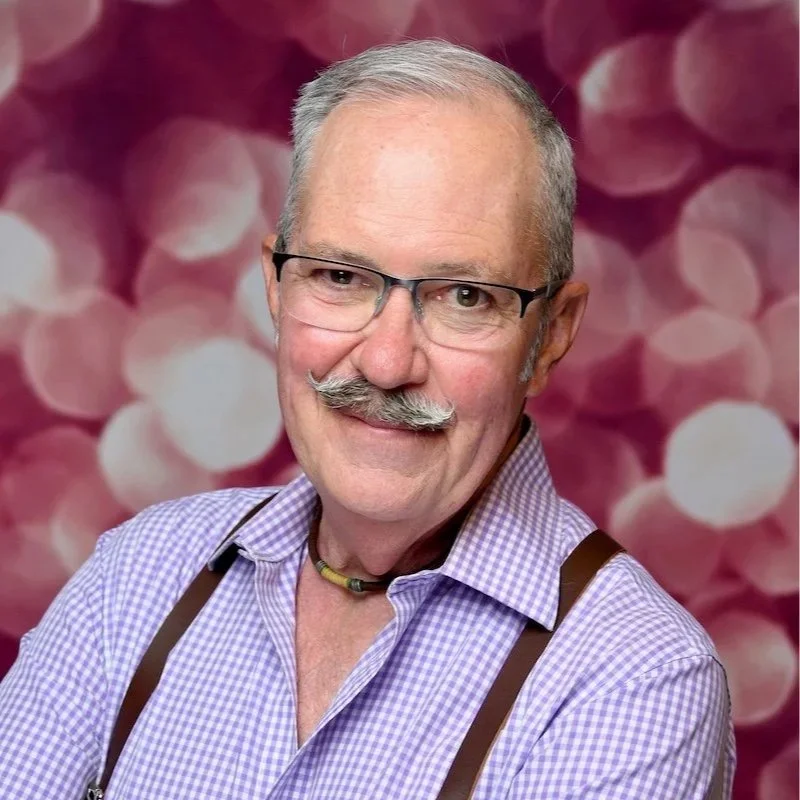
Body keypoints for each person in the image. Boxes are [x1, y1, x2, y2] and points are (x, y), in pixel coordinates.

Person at [0, 40, 734, 798]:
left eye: (464, 296)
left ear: (549, 334)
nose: (386, 363)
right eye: (340, 277)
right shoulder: (137, 581)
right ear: (276, 290)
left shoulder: (633, 678)